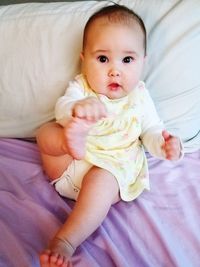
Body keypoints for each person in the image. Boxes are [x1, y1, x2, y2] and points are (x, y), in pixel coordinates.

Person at [36, 4, 183, 267]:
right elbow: (62, 109)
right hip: (67, 164)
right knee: (47, 132)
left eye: (127, 60)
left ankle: (66, 240)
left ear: (142, 61)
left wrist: (163, 145)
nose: (115, 70)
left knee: (102, 177)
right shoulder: (81, 86)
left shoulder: (139, 96)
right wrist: (75, 110)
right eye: (103, 59)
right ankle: (71, 140)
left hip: (109, 172)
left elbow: (150, 129)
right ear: (84, 58)